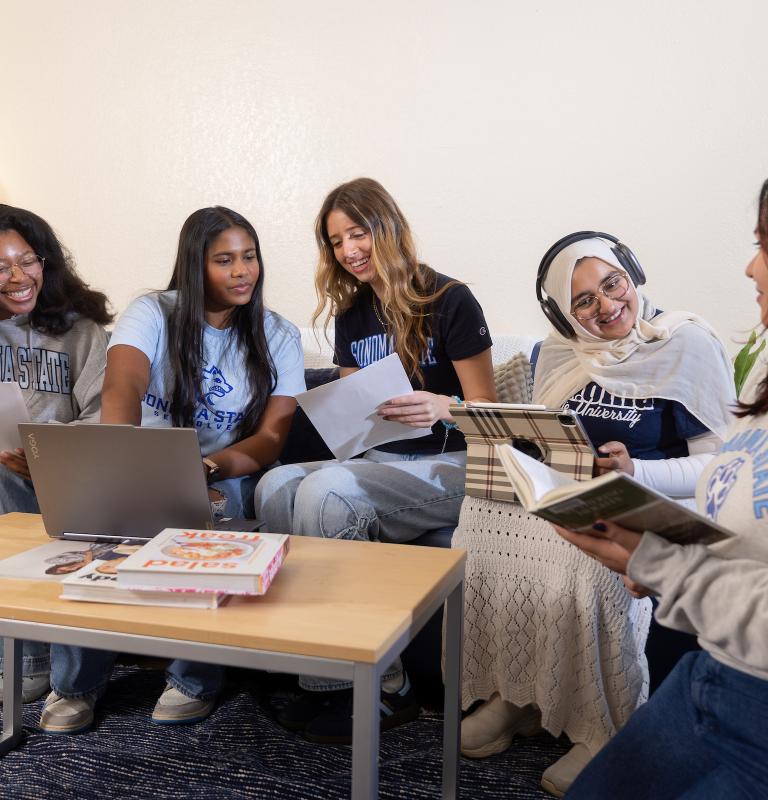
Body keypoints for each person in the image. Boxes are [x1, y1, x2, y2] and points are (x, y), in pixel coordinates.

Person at [455, 231, 735, 797]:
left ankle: (607, 726)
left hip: (657, 499)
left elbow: (718, 468)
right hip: (582, 492)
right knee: (480, 521)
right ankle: (520, 691)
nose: (606, 306)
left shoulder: (684, 343)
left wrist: (638, 472)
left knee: (582, 547)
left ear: (631, 273)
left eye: (613, 284)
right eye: (584, 300)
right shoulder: (560, 351)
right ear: (564, 312)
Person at [41, 206, 305, 734]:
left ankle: (193, 680)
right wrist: (123, 459)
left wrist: (205, 467)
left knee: (210, 516)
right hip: (141, 456)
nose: (242, 271)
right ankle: (75, 684)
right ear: (194, 266)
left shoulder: (279, 334)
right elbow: (123, 385)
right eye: (225, 260)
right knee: (95, 526)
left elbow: (272, 437)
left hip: (225, 467)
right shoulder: (153, 311)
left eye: (249, 257)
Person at [254, 177, 496, 743]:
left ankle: (386, 688)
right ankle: (320, 674)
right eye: (336, 242)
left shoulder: (450, 298)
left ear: (387, 226)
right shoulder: (353, 314)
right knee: (275, 486)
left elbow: (489, 411)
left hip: (453, 462)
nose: (349, 251)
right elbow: (354, 412)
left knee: (324, 495)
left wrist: (442, 405)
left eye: (357, 233)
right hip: (382, 459)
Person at [555, 180, 768, 800]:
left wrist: (664, 561)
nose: (750, 265)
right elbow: (733, 474)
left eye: (764, 244)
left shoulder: (685, 341)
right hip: (711, 665)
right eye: (582, 300)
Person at [0, 204, 112, 704]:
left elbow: (104, 416)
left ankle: (51, 669)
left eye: (28, 259)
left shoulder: (81, 331)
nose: (19, 277)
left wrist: (50, 452)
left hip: (72, 471)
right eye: (1, 266)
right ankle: (26, 657)